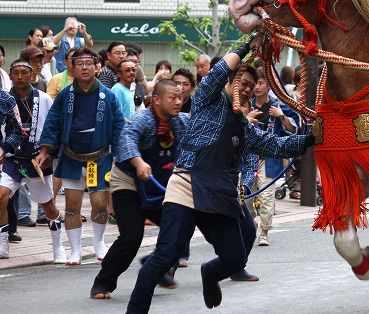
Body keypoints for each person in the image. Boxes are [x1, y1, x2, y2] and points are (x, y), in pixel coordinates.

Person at [126, 37, 315, 313]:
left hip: (220, 192)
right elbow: (217, 73)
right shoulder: (208, 99)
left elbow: (276, 144)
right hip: (187, 185)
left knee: (235, 258)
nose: (247, 89)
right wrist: (248, 46)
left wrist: (312, 138)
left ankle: (209, 274)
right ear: (230, 82)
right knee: (165, 256)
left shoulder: (246, 127)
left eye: (252, 86)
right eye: (243, 82)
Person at [90, 80, 188, 299]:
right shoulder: (142, 119)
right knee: (132, 237)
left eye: (181, 97)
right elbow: (127, 139)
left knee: (180, 226)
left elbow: (205, 128)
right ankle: (103, 283)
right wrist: (137, 162)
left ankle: (158, 267)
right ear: (157, 100)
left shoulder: (180, 122)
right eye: (173, 97)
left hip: (159, 183)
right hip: (128, 180)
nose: (178, 102)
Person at [36, 48, 125, 265]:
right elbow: (53, 123)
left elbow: (119, 126)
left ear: (97, 67)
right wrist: (46, 150)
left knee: (100, 204)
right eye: (80, 63)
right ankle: (75, 250)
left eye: (89, 63)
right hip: (72, 157)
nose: (85, 67)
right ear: (72, 67)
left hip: (100, 157)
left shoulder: (109, 95)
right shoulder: (65, 94)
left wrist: (120, 156)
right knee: (72, 206)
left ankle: (98, 242)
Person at [0, 60, 65, 262]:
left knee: (48, 207)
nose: (20, 77)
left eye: (24, 73)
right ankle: (2, 245)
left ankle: (58, 246)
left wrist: (49, 153)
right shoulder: (4, 100)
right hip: (12, 159)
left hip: (37, 160)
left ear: (31, 76)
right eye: (16, 73)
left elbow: (54, 127)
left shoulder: (44, 99)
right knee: (1, 196)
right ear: (10, 76)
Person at [251, 70, 298, 246]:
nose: (257, 86)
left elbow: (293, 128)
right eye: (255, 83)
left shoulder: (276, 106)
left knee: (266, 195)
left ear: (268, 85)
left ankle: (264, 232)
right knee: (246, 197)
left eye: (261, 82)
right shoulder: (246, 105)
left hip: (269, 158)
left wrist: (281, 116)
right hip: (248, 158)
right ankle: (251, 224)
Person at [0, 72, 31, 258]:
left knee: (1, 197)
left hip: (6, 159)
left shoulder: (6, 99)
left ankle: (2, 243)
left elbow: (17, 132)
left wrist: (3, 148)